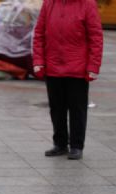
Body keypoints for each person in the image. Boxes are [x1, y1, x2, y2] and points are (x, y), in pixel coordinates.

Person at [32, 0, 103, 160]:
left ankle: (76, 146)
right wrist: (38, 61)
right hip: (53, 66)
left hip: (78, 68)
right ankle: (60, 144)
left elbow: (96, 37)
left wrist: (93, 66)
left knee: (77, 109)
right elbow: (39, 34)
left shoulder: (88, 4)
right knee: (56, 108)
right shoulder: (49, 3)